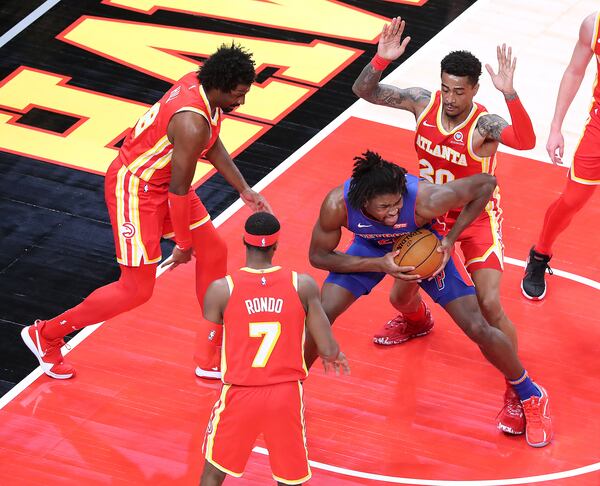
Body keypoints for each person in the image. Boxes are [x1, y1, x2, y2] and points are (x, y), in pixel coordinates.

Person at [21, 43, 271, 380]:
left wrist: (244, 189)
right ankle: (47, 334)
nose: (242, 102)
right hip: (136, 189)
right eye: (239, 94)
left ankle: (211, 350)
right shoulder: (190, 123)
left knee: (215, 250)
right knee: (136, 289)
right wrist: (182, 244)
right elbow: (178, 193)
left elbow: (211, 144)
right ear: (220, 85)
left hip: (162, 181)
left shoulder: (200, 88)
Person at [352, 16, 537, 436]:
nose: (451, 98)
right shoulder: (423, 103)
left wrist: (511, 95)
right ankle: (418, 323)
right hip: (428, 217)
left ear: (474, 89)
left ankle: (517, 387)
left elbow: (525, 142)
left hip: (474, 221)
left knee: (489, 306)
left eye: (460, 91)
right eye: (446, 88)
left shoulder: (485, 126)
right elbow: (364, 91)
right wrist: (381, 60)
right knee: (400, 296)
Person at [307, 150, 552, 448]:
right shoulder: (337, 205)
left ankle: (529, 393)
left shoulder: (426, 198)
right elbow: (318, 256)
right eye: (384, 207)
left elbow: (487, 183)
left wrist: (450, 238)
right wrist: (380, 264)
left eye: (397, 203)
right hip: (372, 249)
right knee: (322, 310)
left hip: (425, 247)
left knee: (477, 326)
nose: (394, 212)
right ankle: (289, 388)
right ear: (363, 202)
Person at [197, 212, 349, 486]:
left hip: (240, 393)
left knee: (214, 471)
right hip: (285, 395)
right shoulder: (301, 284)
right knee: (289, 478)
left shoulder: (222, 290)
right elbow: (326, 346)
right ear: (276, 245)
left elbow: (203, 356)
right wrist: (333, 354)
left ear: (245, 241)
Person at [522, 11, 600, 300]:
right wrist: (556, 127)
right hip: (599, 128)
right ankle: (540, 254)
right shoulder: (593, 24)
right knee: (572, 200)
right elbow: (575, 71)